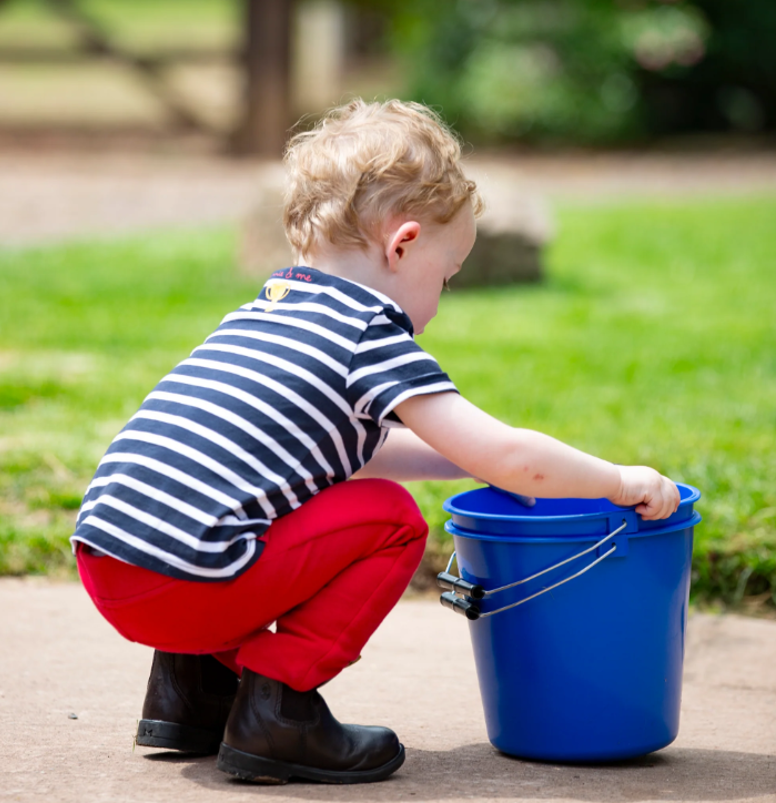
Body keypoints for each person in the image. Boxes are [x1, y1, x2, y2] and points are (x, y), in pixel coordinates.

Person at [72, 99, 681, 785]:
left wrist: (465, 461)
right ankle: (278, 707)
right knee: (390, 518)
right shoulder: (368, 332)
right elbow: (511, 458)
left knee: (260, 502)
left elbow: (350, 452)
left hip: (112, 568)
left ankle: (192, 692)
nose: (440, 298)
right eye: (446, 277)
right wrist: (617, 481)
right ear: (404, 244)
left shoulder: (265, 310)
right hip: (190, 587)